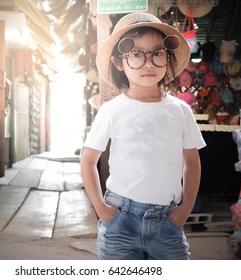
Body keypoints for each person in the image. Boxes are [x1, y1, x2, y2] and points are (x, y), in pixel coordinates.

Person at [80, 12, 206, 260]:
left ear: (167, 58)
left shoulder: (180, 111)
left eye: (157, 53)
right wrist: (102, 210)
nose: (148, 63)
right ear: (119, 62)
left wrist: (184, 211)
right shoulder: (111, 110)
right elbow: (88, 161)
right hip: (120, 220)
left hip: (167, 222)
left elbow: (191, 164)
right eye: (136, 54)